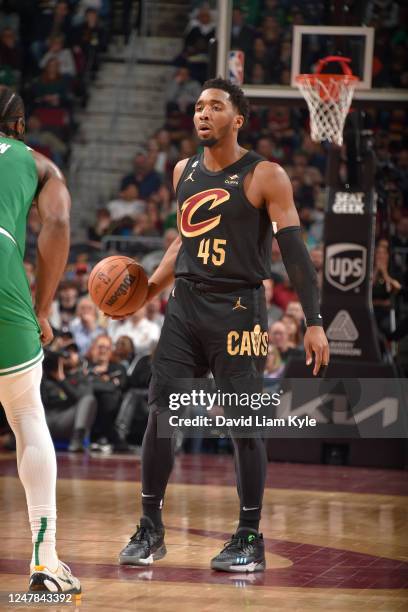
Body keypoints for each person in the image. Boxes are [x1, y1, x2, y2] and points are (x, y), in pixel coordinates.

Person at [118, 78, 329, 572]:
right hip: (185, 305)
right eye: (198, 107)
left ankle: (249, 536)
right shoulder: (182, 171)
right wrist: (148, 290)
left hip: (239, 310)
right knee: (160, 414)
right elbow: (181, 243)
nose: (202, 114)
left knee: (243, 425)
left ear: (238, 119)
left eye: (215, 106)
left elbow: (295, 255)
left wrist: (315, 321)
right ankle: (150, 528)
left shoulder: (266, 175)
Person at [0, 86, 80, 592]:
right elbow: (58, 222)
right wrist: (42, 308)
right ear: (21, 125)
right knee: (28, 415)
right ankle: (45, 565)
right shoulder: (38, 163)